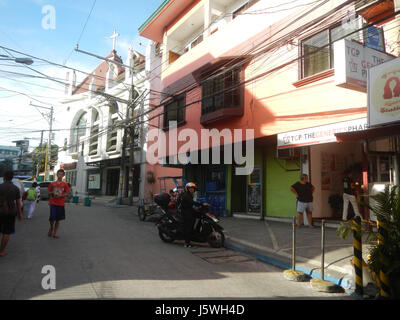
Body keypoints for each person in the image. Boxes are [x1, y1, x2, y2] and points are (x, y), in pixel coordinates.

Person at [0, 171, 22, 257]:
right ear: (12, 178)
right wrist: (20, 214)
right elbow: (18, 203)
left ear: (4, 177)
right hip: (10, 212)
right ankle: (1, 251)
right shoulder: (15, 188)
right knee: (6, 232)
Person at [180, 182, 208, 248]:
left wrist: (198, 207)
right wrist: (201, 204)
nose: (192, 190)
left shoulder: (190, 195)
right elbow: (192, 202)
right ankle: (187, 243)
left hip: (189, 210)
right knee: (189, 227)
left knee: (197, 216)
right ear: (187, 189)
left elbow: (191, 204)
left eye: (193, 188)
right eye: (190, 188)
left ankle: (196, 234)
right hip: (186, 212)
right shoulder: (186, 195)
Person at [48, 169, 70, 239]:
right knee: (52, 218)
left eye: (61, 174)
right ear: (56, 175)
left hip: (60, 204)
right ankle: (51, 227)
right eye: (58, 174)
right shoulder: (52, 184)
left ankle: (55, 232)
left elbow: (67, 193)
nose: (60, 175)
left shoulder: (65, 184)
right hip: (53, 203)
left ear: (63, 175)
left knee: (58, 219)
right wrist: (52, 193)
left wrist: (61, 195)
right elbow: (48, 192)